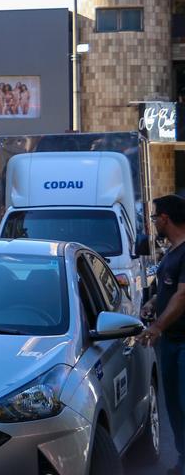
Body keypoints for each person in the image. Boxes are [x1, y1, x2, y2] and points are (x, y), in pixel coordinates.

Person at [140, 194, 185, 473]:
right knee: (175, 408)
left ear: (165, 218)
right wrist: (153, 302)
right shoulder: (172, 251)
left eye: (155, 217)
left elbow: (183, 295)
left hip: (183, 345)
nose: (154, 222)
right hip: (171, 343)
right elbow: (168, 289)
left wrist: (157, 326)